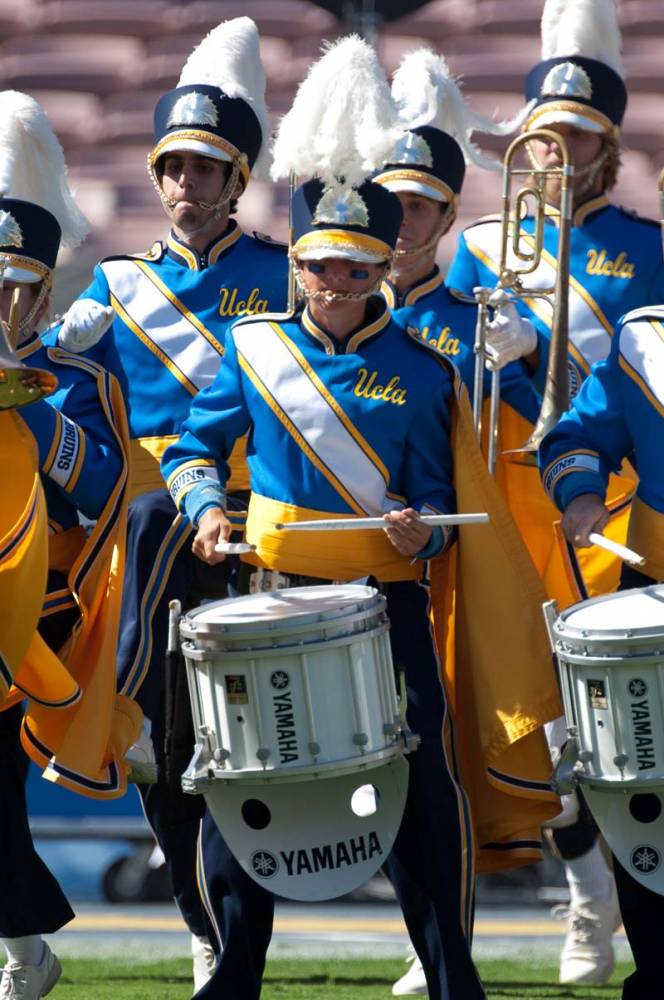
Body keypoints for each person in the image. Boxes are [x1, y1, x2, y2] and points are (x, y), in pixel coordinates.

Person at [162, 35, 562, 1000]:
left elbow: (436, 500)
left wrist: (420, 529)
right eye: (319, 267)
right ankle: (235, 971)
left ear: (382, 267)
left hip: (388, 609)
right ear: (296, 263)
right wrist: (207, 507)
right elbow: (189, 446)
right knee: (237, 782)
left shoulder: (426, 374)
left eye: (353, 270)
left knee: (424, 791)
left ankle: (448, 967)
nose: (334, 286)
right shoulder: (254, 350)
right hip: (271, 592)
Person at [50, 19, 289, 988]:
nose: (188, 184)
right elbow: (82, 442)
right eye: (174, 167)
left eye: (208, 168)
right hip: (142, 551)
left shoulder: (283, 273)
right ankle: (203, 924)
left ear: (238, 178)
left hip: (253, 527)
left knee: (250, 752)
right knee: (170, 757)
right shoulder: (113, 288)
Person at [447, 1, 664, 984]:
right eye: (544, 135)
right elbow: (444, 372)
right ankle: (587, 902)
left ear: (604, 147)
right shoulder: (479, 246)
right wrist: (480, 348)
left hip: (612, 509)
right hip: (508, 507)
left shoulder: (644, 245)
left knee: (624, 729)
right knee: (541, 721)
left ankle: (630, 901)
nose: (559, 151)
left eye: (579, 136)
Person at [0, 92, 133, 1000]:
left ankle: (24, 951)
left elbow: (101, 486)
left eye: (21, 284)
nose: (5, 298)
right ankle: (25, 949)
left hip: (41, 609)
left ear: (47, 291)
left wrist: (34, 403)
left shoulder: (75, 371)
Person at [539, 300, 664, 1000]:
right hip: (654, 591)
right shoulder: (643, 336)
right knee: (645, 787)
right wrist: (582, 492)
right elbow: (578, 434)